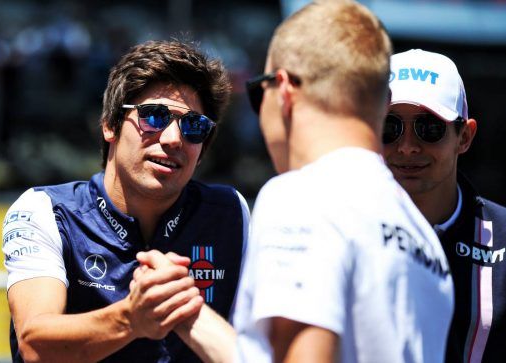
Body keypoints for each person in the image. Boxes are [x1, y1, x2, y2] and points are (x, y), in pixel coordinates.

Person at [138, 1, 454, 362]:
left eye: (258, 92)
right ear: (383, 104)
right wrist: (186, 310)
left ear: (284, 91)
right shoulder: (423, 237)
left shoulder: (303, 196)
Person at [1, 40, 250, 362]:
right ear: (110, 125)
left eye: (194, 126)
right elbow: (34, 345)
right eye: (155, 116)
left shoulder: (229, 212)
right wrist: (132, 318)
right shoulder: (46, 210)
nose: (174, 138)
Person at [384, 48, 506, 363]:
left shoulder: (504, 238)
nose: (408, 147)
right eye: (391, 127)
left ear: (464, 136)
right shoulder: (343, 225)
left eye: (429, 128)